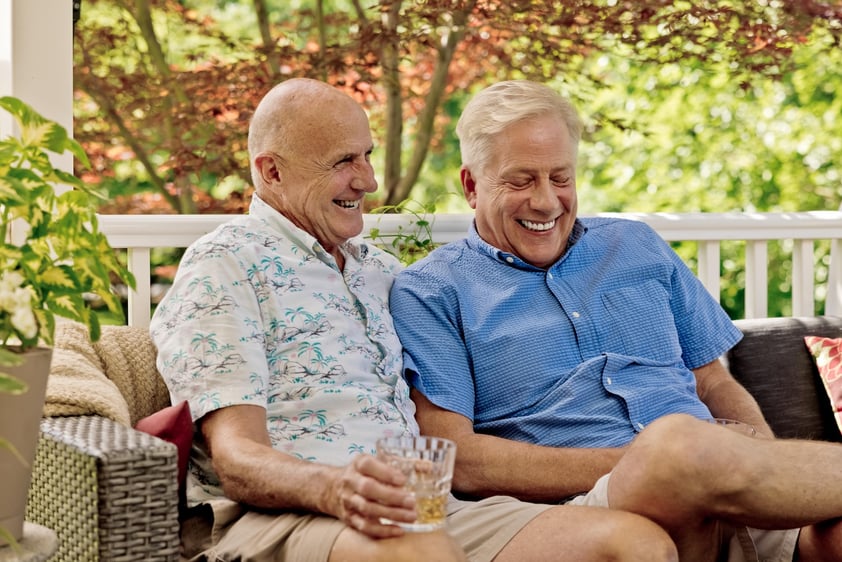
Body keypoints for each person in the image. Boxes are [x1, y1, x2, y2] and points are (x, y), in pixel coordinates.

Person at [149, 77, 678, 562]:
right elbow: (238, 460)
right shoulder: (224, 264)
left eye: (368, 157)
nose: (370, 182)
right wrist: (337, 488)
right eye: (343, 162)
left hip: (428, 510)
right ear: (271, 171)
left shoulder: (383, 273)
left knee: (635, 544)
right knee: (413, 548)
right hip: (288, 516)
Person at [389, 79, 842, 562]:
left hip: (719, 485)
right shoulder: (431, 292)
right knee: (676, 442)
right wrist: (656, 464)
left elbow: (710, 381)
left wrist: (756, 462)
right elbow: (461, 459)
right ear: (471, 186)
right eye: (521, 181)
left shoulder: (636, 245)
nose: (546, 202)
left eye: (560, 178)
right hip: (586, 507)